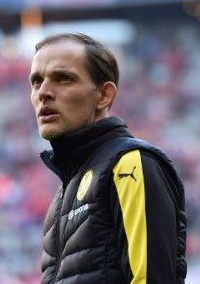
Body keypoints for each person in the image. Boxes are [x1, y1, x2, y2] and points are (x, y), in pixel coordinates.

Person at [29, 32, 187, 284]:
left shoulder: (130, 163)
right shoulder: (64, 191)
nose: (44, 92)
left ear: (104, 95)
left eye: (63, 78)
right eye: (36, 82)